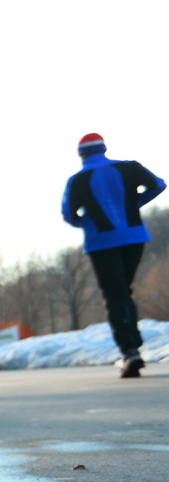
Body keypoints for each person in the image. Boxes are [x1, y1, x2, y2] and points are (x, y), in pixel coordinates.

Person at [62, 133, 165, 377]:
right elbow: (159, 185)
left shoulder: (77, 180)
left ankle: (129, 351)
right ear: (103, 149)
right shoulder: (129, 168)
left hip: (101, 242)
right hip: (134, 237)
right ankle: (134, 342)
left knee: (114, 295)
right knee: (123, 290)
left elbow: (68, 214)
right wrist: (134, 204)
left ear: (81, 155)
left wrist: (88, 222)